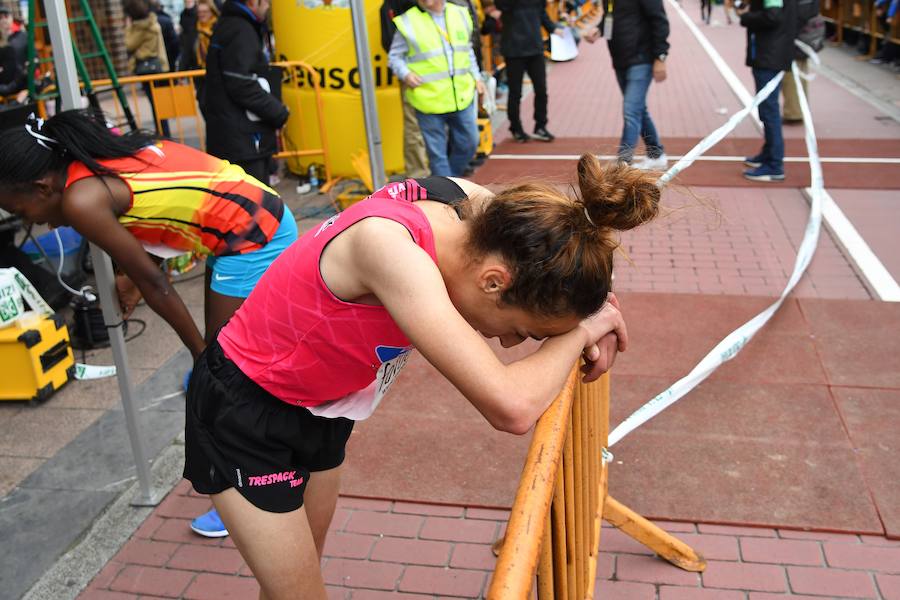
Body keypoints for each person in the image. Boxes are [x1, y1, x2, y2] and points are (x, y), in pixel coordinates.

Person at [182, 155, 660, 599]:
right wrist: (577, 336)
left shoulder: (479, 213)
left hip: (324, 407)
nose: (512, 344)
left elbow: (558, 245)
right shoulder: (389, 248)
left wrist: (589, 305)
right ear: (494, 281)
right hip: (244, 411)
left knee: (296, 580)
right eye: (520, 330)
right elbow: (511, 406)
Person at [0, 109, 298, 538]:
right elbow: (167, 203)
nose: (33, 222)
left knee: (223, 384)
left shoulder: (81, 200)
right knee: (222, 375)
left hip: (251, 233)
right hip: (247, 215)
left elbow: (156, 284)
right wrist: (135, 283)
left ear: (41, 186)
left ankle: (252, 491)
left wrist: (205, 359)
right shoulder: (93, 160)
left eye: (21, 209)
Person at [388, 0, 486, 177]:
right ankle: (448, 194)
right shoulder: (408, 21)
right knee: (437, 155)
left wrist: (477, 77)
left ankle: (449, 180)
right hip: (428, 99)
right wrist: (406, 74)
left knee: (470, 143)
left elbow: (467, 50)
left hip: (461, 96)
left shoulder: (461, 14)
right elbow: (394, 58)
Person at [200, 0, 288, 185]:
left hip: (237, 134)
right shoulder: (239, 29)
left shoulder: (234, 25)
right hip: (243, 137)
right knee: (254, 203)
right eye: (265, 2)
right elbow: (241, 83)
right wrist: (277, 112)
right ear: (252, 3)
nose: (268, 6)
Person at [585, 0, 670, 170]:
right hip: (620, 60)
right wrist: (599, 30)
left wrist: (661, 57)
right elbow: (611, 17)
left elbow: (659, 20)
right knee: (638, 109)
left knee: (631, 110)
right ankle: (656, 155)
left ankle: (623, 163)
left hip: (641, 59)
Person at [738, 0, 797, 182]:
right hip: (774, 51)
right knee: (766, 110)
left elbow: (773, 16)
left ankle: (774, 165)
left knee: (769, 111)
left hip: (769, 54)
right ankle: (769, 153)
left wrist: (746, 16)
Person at [492, 0, 562, 143]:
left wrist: (553, 28)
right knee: (515, 92)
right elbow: (501, 5)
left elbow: (542, 14)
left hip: (535, 48)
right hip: (514, 50)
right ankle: (516, 127)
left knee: (541, 90)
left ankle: (540, 126)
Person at [379, 0, 430, 178]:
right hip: (413, 77)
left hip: (439, 77)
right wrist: (406, 72)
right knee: (414, 127)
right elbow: (390, 43)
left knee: (435, 126)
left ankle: (430, 172)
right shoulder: (393, 6)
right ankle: (419, 176)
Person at [124, 0, 171, 137]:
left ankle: (163, 133)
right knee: (159, 103)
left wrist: (128, 28)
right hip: (159, 67)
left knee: (156, 103)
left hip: (147, 69)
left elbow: (129, 44)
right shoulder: (153, 23)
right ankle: (163, 132)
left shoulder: (140, 28)